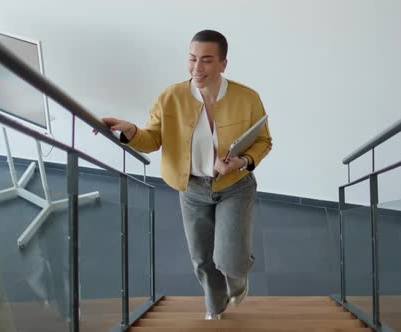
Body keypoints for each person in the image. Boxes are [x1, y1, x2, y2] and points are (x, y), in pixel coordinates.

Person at [100, 30, 272, 320]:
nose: (196, 68)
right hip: (192, 189)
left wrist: (241, 161)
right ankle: (215, 308)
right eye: (192, 59)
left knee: (229, 261)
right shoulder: (171, 97)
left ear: (223, 64)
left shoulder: (247, 97)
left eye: (206, 60)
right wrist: (130, 131)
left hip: (235, 185)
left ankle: (238, 274)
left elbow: (263, 141)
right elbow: (152, 139)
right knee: (203, 260)